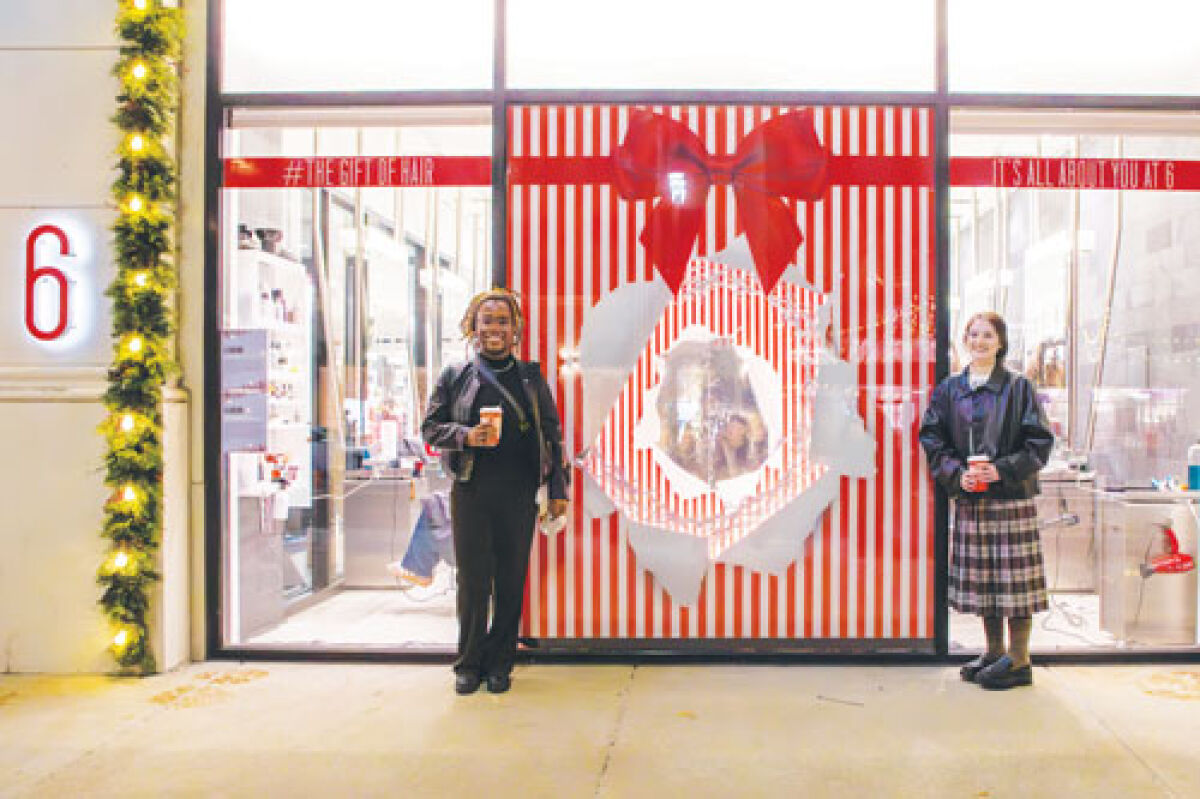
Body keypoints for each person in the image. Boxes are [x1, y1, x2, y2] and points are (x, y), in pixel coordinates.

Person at [421, 288, 569, 695]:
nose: (494, 328)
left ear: (515, 329)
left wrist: (558, 488)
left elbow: (552, 437)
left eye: (503, 320)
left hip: (519, 494)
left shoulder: (530, 377)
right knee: (473, 581)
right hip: (471, 491)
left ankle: (502, 661)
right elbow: (430, 429)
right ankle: (468, 662)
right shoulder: (456, 375)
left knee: (510, 579)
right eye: (487, 320)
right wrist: (467, 435)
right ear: (474, 326)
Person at [918, 311, 1054, 690]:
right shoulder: (949, 389)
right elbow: (932, 439)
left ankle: (1020, 660)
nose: (980, 342)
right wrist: (955, 474)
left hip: (1011, 497)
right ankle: (995, 653)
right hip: (971, 497)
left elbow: (1039, 443)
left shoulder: (1019, 387)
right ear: (966, 339)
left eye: (988, 336)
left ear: (1000, 342)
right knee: (986, 583)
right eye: (974, 335)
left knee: (1015, 584)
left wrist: (1003, 469)